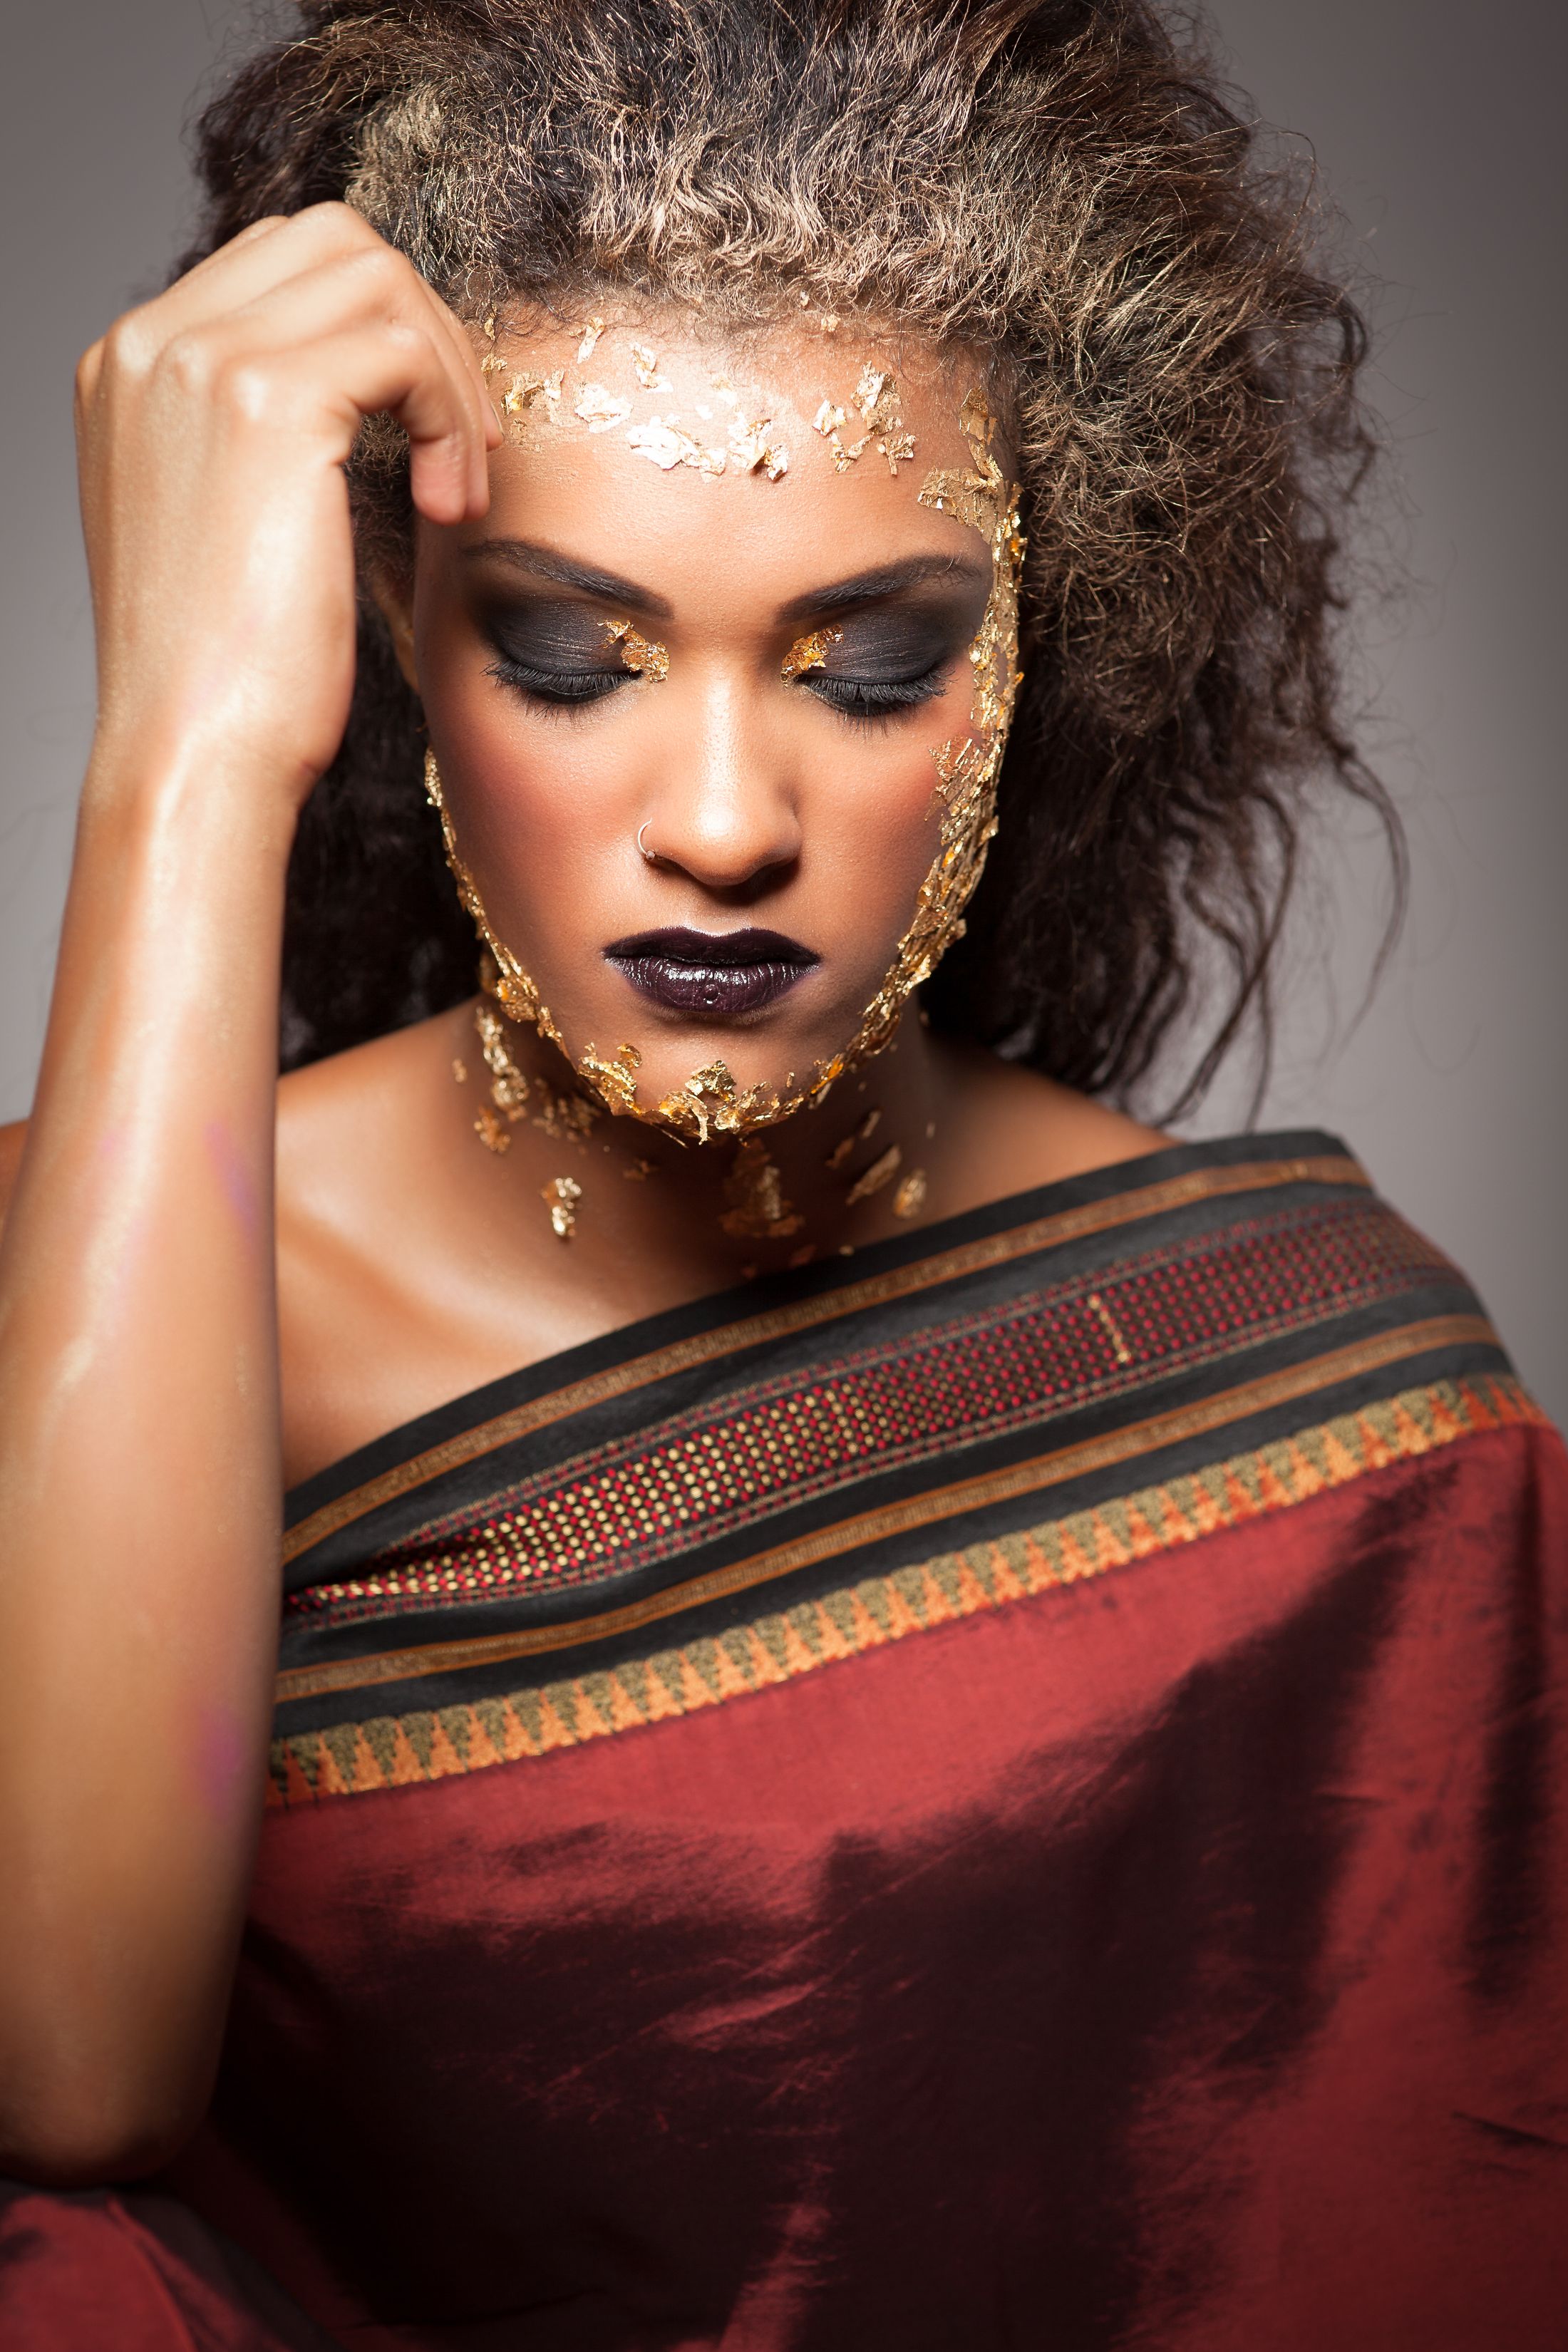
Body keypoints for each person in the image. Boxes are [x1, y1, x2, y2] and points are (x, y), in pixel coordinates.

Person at [0, 1, 1562, 2344]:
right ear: (400, 622)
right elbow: (65, 2071)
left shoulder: (1352, 1426)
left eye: (868, 666)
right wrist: (188, 751)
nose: (725, 823)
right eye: (571, 653)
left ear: (1030, 643)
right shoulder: (68, 1283)